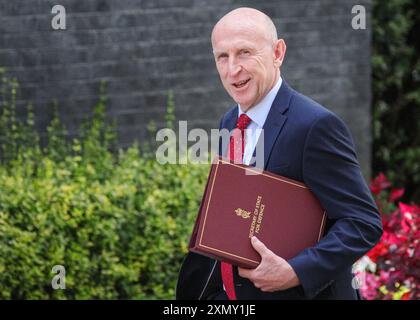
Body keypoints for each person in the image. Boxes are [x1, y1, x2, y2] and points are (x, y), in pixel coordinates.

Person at [176, 7, 383, 300]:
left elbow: (363, 223)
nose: (232, 69)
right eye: (223, 56)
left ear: (277, 53)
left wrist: (296, 271)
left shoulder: (316, 126)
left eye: (245, 52)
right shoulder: (229, 122)